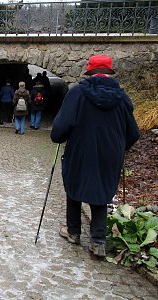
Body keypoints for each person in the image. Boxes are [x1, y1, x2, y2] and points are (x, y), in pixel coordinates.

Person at [51, 55, 140, 257]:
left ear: (89, 72)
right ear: (110, 73)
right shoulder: (122, 97)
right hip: (110, 154)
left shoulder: (77, 94)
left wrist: (60, 137)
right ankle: (98, 240)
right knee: (101, 191)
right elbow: (133, 133)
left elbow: (59, 130)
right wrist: (119, 147)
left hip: (80, 151)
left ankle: (73, 232)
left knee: (74, 186)